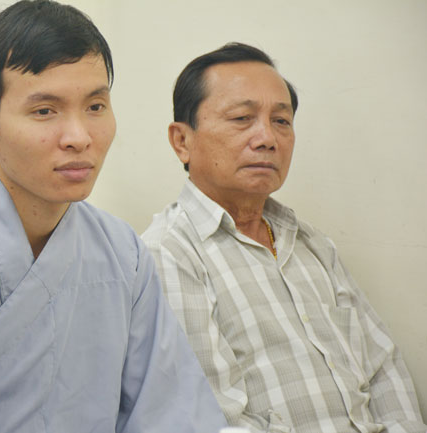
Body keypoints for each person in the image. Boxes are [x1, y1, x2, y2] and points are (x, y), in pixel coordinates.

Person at [0, 2, 227, 432]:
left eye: (95, 106)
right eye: (45, 111)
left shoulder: (124, 253)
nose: (79, 137)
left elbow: (172, 415)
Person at [142, 42, 426, 433]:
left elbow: (384, 371)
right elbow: (212, 419)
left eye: (281, 120)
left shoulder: (312, 244)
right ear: (182, 141)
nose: (267, 138)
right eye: (242, 118)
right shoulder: (169, 253)